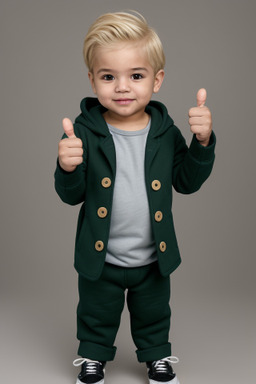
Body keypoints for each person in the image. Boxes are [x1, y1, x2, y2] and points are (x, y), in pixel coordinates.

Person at [54, 11, 215, 384]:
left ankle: (157, 356)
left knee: (154, 312)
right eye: (108, 76)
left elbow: (186, 182)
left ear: (157, 80)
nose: (122, 87)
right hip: (101, 254)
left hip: (151, 254)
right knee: (96, 311)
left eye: (136, 76)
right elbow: (71, 195)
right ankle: (92, 357)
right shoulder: (83, 131)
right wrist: (67, 166)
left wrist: (202, 143)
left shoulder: (165, 131)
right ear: (92, 79)